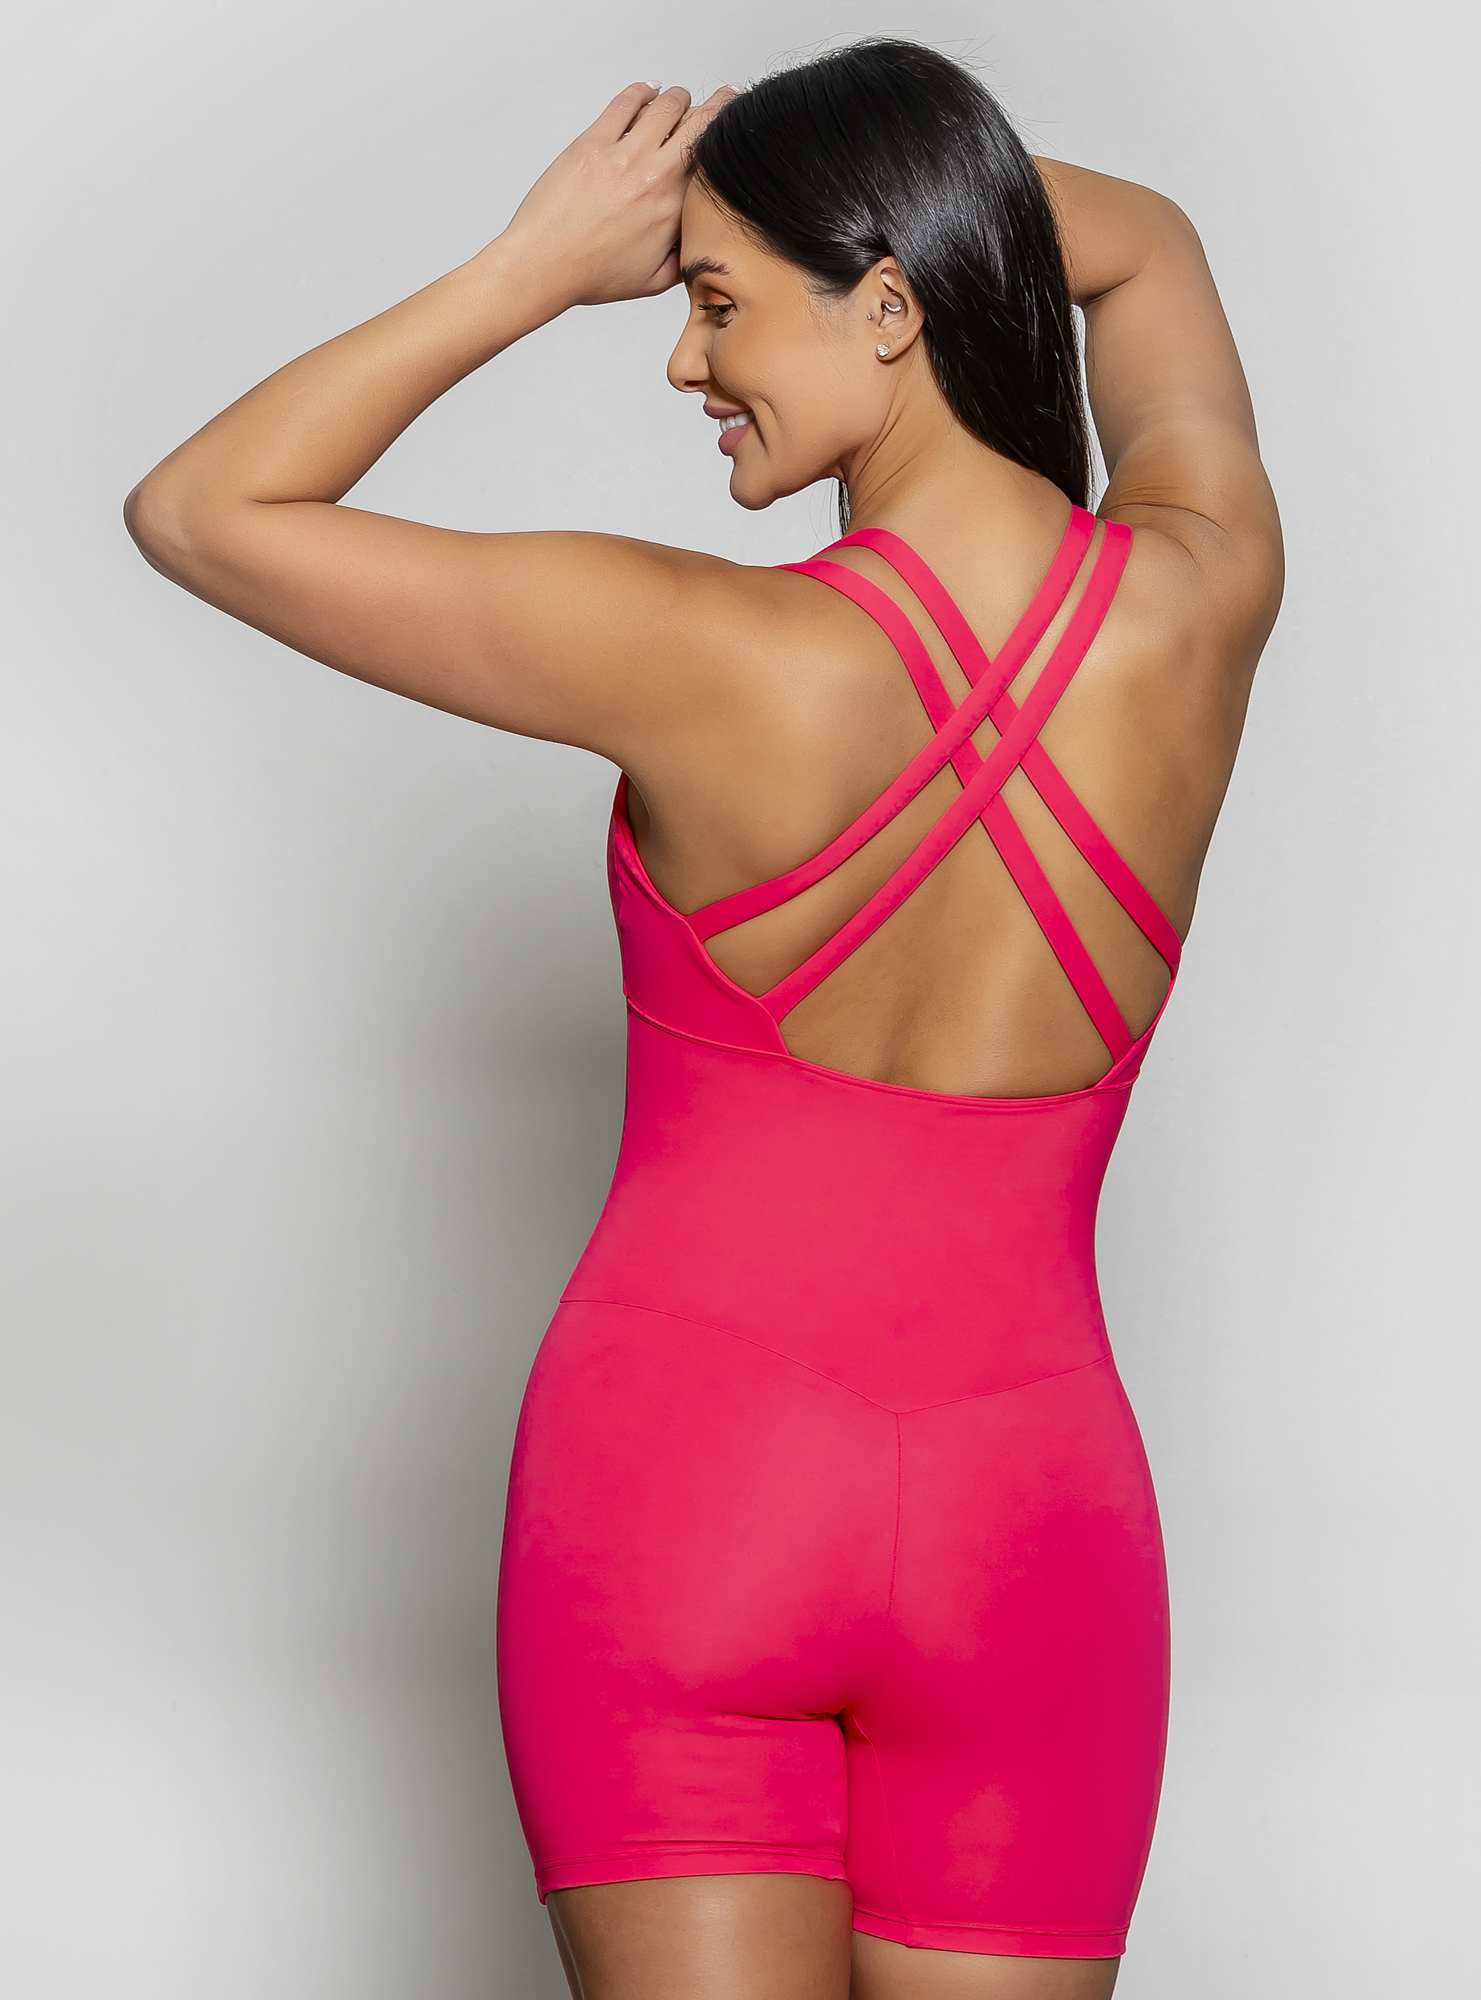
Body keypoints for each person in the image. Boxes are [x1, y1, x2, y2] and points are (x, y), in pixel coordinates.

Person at [124, 34, 1284, 2000]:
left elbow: (203, 509)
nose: (684, 359)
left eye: (718, 301)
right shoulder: (1200, 605)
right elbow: (1150, 245)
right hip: (1034, 1534)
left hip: (681, 1503)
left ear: (890, 304)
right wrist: (846, 186)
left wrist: (532, 264)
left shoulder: (694, 652)